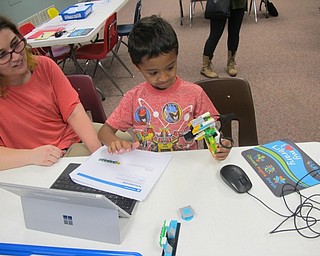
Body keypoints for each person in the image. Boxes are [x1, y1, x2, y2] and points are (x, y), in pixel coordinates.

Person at [98, 15, 231, 161]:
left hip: (186, 165)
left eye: (170, 67)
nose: (164, 77)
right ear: (138, 67)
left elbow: (210, 128)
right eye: (153, 72)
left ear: (176, 57)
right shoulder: (133, 98)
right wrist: (114, 142)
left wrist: (220, 145)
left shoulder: (194, 93)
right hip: (149, 168)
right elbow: (104, 132)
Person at [0, 16, 101, 170]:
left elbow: (74, 112)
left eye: (15, 44)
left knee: (123, 143)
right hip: (36, 163)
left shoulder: (44, 65)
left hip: (69, 140)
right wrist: (32, 155)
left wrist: (98, 154)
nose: (16, 57)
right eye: (2, 55)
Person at [201, 0, 246, 78]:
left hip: (239, 3)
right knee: (215, 34)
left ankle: (231, 62)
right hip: (220, 2)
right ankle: (205, 66)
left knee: (234, 33)